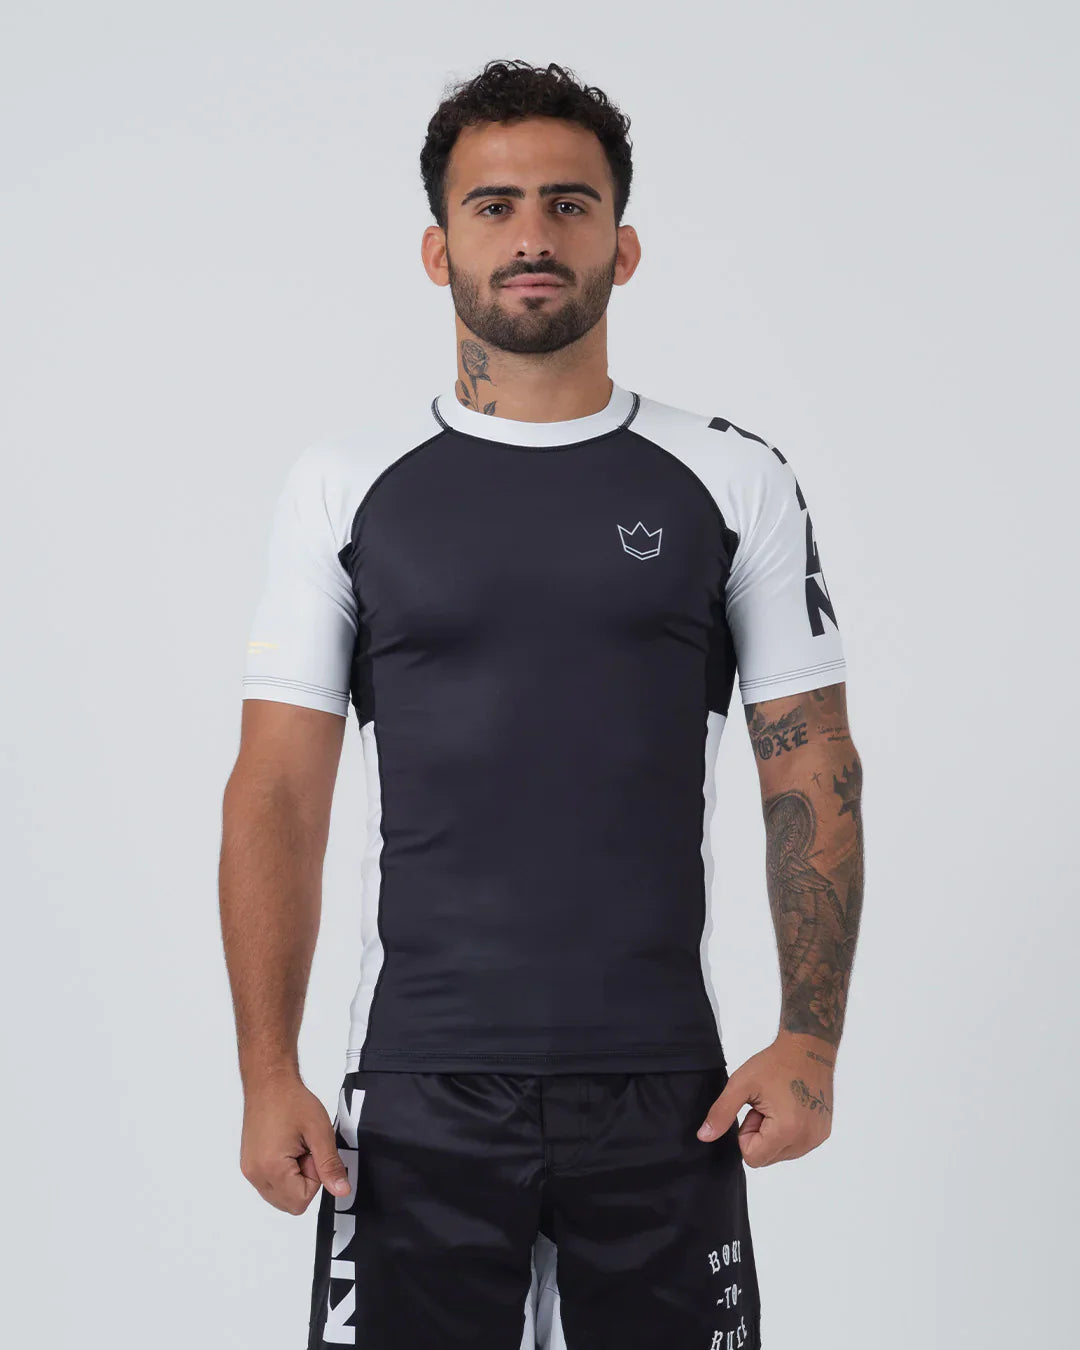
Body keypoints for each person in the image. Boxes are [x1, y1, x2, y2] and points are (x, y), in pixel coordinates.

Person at [219, 57, 865, 1350]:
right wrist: (267, 1071)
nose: (531, 235)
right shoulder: (348, 484)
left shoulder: (731, 476)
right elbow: (278, 788)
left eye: (569, 204)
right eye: (494, 204)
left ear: (623, 246)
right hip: (417, 1090)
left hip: (665, 1089)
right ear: (437, 247)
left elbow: (810, 762)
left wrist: (809, 1039)